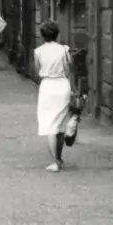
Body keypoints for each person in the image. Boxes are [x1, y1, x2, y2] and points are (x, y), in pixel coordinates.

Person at [33, 19, 72, 172]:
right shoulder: (65, 49)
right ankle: (59, 158)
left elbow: (38, 70)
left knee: (50, 125)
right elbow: (70, 70)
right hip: (63, 85)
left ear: (42, 35)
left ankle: (55, 162)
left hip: (48, 86)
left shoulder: (38, 51)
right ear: (57, 34)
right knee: (60, 124)